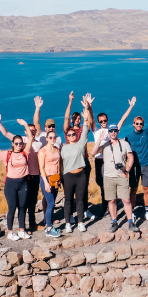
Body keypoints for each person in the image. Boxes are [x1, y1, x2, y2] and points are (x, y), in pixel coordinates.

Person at [0, 98, 43, 230]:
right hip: (24, 177)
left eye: (34, 130)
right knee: (22, 203)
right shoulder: (20, 142)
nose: (32, 131)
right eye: (30, 130)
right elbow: (5, 133)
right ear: (26, 131)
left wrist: (37, 108)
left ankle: (32, 224)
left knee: (32, 201)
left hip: (36, 174)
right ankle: (21, 226)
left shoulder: (39, 142)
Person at [90, 100, 134, 220]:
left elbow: (122, 120)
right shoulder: (96, 131)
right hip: (100, 160)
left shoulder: (112, 129)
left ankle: (107, 208)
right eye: (101, 121)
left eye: (105, 120)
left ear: (107, 120)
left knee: (109, 183)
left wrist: (130, 106)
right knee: (101, 183)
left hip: (112, 162)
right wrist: (89, 106)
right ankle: (109, 205)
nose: (103, 122)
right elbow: (91, 119)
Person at [122, 95, 148, 221]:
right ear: (133, 124)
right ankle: (132, 212)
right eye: (137, 123)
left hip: (145, 165)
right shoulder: (128, 137)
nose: (139, 125)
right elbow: (124, 153)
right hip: (134, 167)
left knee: (146, 189)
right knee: (133, 190)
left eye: (141, 124)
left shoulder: (146, 132)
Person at [60, 94, 94, 233]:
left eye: (78, 118)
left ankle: (83, 214)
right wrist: (70, 101)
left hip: (82, 162)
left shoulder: (81, 130)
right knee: (68, 197)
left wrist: (87, 108)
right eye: (75, 118)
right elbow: (67, 117)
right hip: (68, 167)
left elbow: (89, 123)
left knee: (82, 192)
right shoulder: (68, 130)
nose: (76, 119)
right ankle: (70, 220)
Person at [96, 123, 137, 233]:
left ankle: (130, 222)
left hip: (121, 176)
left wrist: (127, 170)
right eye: (111, 131)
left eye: (115, 130)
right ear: (108, 132)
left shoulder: (124, 144)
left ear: (118, 132)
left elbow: (130, 157)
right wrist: (99, 140)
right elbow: (93, 152)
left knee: (126, 200)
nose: (113, 133)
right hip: (108, 177)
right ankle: (114, 222)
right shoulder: (104, 145)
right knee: (112, 200)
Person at [37, 127, 63, 237]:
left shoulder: (56, 149)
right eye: (50, 137)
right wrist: (46, 183)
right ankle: (48, 228)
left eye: (54, 137)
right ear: (47, 138)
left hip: (56, 178)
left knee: (52, 203)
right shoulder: (42, 151)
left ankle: (50, 225)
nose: (52, 139)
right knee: (51, 203)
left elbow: (58, 164)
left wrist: (60, 178)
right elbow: (41, 168)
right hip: (47, 178)